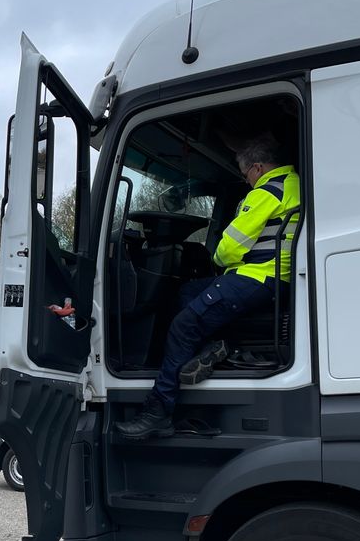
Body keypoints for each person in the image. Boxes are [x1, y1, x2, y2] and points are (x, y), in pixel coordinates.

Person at [115, 135, 301, 440]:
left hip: (255, 277)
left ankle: (158, 410)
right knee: (187, 292)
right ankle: (210, 349)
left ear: (257, 167)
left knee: (181, 326)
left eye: (245, 175)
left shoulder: (268, 191)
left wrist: (214, 258)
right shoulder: (294, 185)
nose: (247, 180)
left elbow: (230, 249)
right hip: (276, 278)